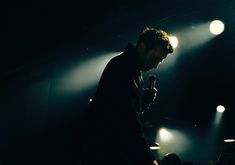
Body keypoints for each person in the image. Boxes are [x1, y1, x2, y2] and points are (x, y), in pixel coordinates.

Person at [81, 27, 174, 165]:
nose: (155, 65)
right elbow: (128, 118)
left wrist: (144, 100)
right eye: (154, 58)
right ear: (143, 47)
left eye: (159, 62)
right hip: (105, 151)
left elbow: (126, 111)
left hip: (107, 149)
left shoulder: (132, 70)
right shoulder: (124, 68)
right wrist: (148, 158)